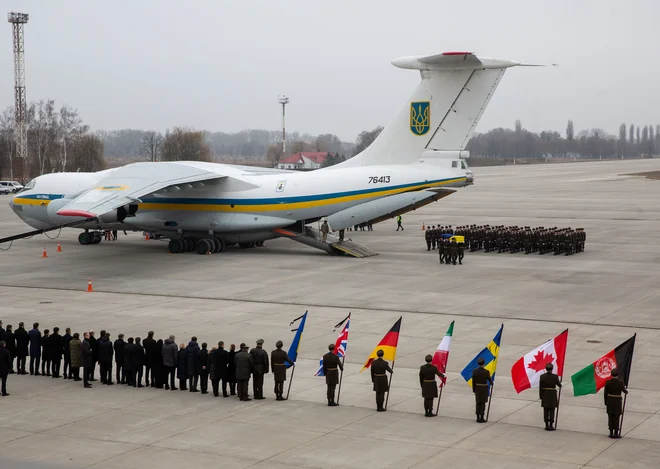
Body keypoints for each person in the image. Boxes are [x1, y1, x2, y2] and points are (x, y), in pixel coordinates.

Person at [604, 368, 628, 438]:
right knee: (616, 417)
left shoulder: (608, 383)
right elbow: (624, 391)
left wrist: (606, 402)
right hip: (617, 401)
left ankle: (611, 432)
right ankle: (616, 433)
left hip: (610, 401)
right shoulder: (620, 383)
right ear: (618, 375)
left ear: (611, 375)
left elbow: (605, 394)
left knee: (610, 417)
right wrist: (627, 391)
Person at [539, 362, 562, 431]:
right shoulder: (555, 376)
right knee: (552, 410)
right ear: (552, 369)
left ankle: (546, 425)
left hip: (545, 394)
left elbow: (540, 387)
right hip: (552, 394)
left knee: (546, 410)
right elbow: (559, 385)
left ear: (546, 369)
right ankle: (551, 425)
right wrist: (560, 383)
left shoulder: (542, 376)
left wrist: (541, 396)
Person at [471, 357, 493, 423]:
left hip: (477, 388)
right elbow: (490, 381)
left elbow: (473, 382)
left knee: (478, 403)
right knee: (482, 403)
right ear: (484, 364)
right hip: (484, 389)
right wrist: (492, 382)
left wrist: (474, 389)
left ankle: (477, 417)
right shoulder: (486, 372)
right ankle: (482, 417)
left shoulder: (474, 371)